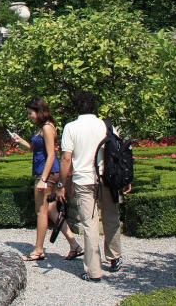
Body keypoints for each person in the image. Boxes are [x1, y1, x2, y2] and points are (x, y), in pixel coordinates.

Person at [56, 91, 123, 282]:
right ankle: (114, 258)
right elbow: (118, 153)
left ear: (76, 107)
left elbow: (67, 158)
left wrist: (62, 184)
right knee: (111, 218)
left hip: (84, 180)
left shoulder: (71, 127)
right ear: (94, 106)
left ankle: (93, 272)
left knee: (89, 224)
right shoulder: (106, 125)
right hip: (107, 179)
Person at [10, 98, 81, 262]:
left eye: (30, 113)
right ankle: (75, 245)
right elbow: (36, 149)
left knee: (41, 212)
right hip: (46, 173)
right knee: (51, 210)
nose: (29, 116)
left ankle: (39, 250)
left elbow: (51, 156)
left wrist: (43, 179)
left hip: (47, 174)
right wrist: (21, 141)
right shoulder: (42, 128)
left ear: (39, 111)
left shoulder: (48, 128)